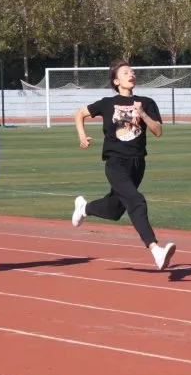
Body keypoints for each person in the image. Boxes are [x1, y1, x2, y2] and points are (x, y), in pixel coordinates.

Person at [71, 59, 176, 271]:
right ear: (116, 81)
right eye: (126, 72)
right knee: (137, 201)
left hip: (137, 165)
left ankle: (84, 208)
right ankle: (156, 250)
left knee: (115, 209)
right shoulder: (107, 103)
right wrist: (82, 137)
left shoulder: (146, 102)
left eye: (132, 71)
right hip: (115, 163)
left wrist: (142, 113)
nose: (131, 74)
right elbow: (80, 114)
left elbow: (157, 131)